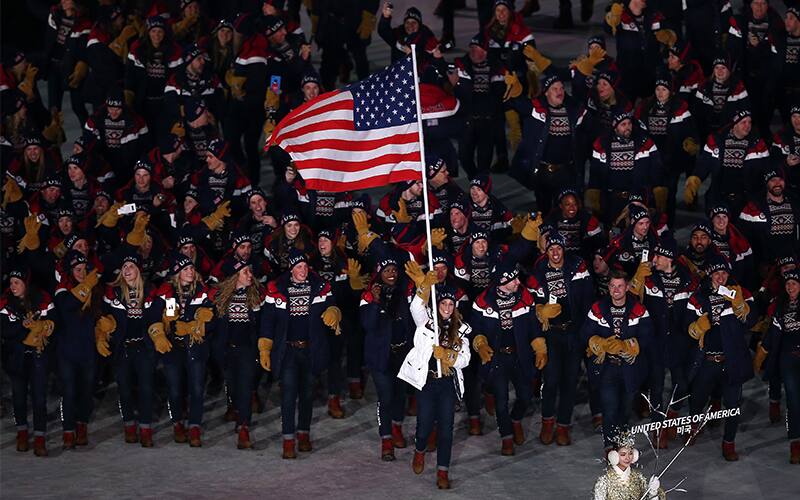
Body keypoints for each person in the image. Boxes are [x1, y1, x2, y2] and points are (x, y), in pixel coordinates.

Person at [258, 249, 341, 458]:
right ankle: (288, 439)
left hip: (311, 349)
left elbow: (332, 305)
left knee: (306, 394)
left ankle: (303, 433)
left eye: (305, 266)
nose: (303, 270)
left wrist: (333, 312)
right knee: (288, 395)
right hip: (288, 351)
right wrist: (265, 346)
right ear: (291, 269)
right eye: (298, 267)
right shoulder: (276, 288)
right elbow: (268, 320)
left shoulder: (320, 286)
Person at [399, 267, 471, 490]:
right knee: (424, 426)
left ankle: (443, 471)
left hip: (447, 383)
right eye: (443, 304)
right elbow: (415, 307)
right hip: (427, 382)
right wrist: (425, 287)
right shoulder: (427, 322)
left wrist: (448, 356)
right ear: (438, 305)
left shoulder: (461, 329)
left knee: (447, 428)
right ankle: (419, 450)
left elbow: (465, 359)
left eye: (451, 305)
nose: (447, 308)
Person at [685, 254, 756, 461]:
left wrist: (740, 306)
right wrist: (696, 328)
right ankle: (693, 427)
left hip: (732, 360)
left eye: (724, 272)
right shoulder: (698, 297)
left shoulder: (740, 292)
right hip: (707, 360)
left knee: (733, 406)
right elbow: (686, 326)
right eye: (717, 273)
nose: (721, 277)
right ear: (710, 274)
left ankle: (728, 444)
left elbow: (751, 321)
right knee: (697, 400)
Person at [525, 233, 593, 446]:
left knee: (569, 382)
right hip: (551, 334)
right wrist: (539, 311)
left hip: (573, 332)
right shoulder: (537, 274)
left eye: (558, 248)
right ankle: (547, 422)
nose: (555, 252)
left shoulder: (578, 267)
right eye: (551, 249)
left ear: (564, 249)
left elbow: (588, 300)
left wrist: (586, 334)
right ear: (546, 252)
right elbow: (529, 305)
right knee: (551, 380)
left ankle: (563, 426)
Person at [471, 259, 543, 456]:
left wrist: (539, 345)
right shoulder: (482, 301)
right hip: (498, 359)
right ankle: (507, 437)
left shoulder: (526, 296)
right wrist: (480, 343)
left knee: (526, 396)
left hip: (520, 356)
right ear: (502, 282)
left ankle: (516, 419)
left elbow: (534, 326)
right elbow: (475, 329)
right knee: (501, 401)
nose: (518, 282)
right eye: (513, 280)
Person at [581, 269, 652, 450]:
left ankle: (622, 446)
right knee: (609, 409)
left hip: (630, 368)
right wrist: (598, 342)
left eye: (620, 286)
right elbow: (585, 333)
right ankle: (609, 448)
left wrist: (629, 345)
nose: (616, 290)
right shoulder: (597, 308)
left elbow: (648, 336)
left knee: (625, 411)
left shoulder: (639, 309)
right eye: (612, 286)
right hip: (607, 368)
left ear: (627, 287)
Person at [152, 255, 215, 447]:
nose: (190, 272)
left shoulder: (203, 291)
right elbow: (156, 317)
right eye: (185, 269)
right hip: (174, 348)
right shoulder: (166, 292)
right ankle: (178, 423)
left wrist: (200, 322)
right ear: (177, 273)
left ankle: (195, 426)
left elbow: (213, 319)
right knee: (175, 389)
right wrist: (164, 324)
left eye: (191, 269)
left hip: (196, 347)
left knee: (196, 388)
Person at [99, 253, 159, 447]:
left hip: (143, 347)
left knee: (146, 389)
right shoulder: (112, 292)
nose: (126, 270)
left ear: (139, 270)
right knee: (124, 390)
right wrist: (103, 327)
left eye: (131, 266)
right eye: (124, 267)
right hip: (123, 349)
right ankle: (129, 426)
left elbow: (159, 314)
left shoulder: (150, 290)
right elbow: (102, 315)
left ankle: (145, 428)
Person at [0, 264, 55, 456]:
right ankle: (22, 432)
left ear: (26, 283)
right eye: (11, 283)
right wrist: (24, 327)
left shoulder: (43, 299)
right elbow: (4, 331)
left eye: (17, 282)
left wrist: (46, 326)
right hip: (15, 359)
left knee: (39, 398)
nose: (13, 286)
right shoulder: (5, 302)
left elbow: (53, 323)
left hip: (38, 358)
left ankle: (40, 437)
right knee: (19, 398)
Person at [210, 258, 262, 449]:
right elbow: (214, 326)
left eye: (250, 271)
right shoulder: (221, 298)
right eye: (245, 272)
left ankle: (243, 427)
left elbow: (260, 324)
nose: (250, 275)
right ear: (235, 277)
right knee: (232, 386)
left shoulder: (255, 296)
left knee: (246, 388)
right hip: (227, 350)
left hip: (247, 350)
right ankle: (236, 409)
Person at [54, 251, 102, 450]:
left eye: (85, 269)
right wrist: (86, 286)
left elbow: (100, 313)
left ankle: (82, 424)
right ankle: (68, 429)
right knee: (69, 390)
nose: (82, 273)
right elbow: (66, 306)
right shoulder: (62, 290)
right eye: (78, 270)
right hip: (66, 351)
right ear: (70, 272)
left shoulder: (95, 291)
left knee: (86, 390)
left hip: (88, 350)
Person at [756, 269, 800, 464]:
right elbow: (772, 337)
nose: (790, 287)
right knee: (793, 401)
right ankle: (795, 445)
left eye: (794, 283)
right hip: (788, 359)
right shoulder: (780, 307)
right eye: (788, 284)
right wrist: (758, 359)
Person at [593, 432, 665, 500]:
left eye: (630, 453)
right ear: (614, 456)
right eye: (623, 454)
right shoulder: (604, 482)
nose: (628, 458)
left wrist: (653, 493)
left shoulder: (638, 478)